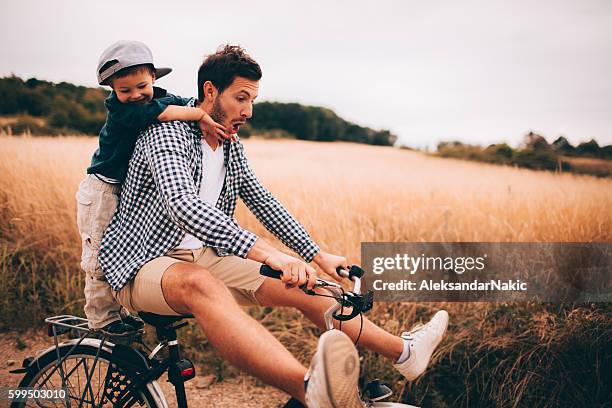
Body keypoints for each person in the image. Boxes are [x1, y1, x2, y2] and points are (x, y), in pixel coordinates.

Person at [99, 44, 449, 407]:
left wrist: (316, 255)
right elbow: (183, 206)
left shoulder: (229, 144)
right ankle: (311, 390)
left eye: (253, 100)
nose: (248, 111)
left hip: (203, 254)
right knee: (200, 284)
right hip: (143, 264)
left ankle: (405, 353)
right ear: (210, 92)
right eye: (241, 98)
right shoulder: (167, 132)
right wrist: (270, 253)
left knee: (310, 286)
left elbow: (262, 201)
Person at [76, 40, 227, 335]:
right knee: (97, 254)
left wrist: (201, 107)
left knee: (116, 246)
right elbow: (163, 113)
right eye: (125, 90)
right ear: (113, 91)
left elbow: (177, 103)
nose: (134, 95)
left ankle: (116, 311)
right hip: (103, 189)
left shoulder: (158, 97)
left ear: (154, 79)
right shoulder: (122, 111)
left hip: (125, 189)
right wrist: (199, 115)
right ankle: (101, 318)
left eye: (141, 86)